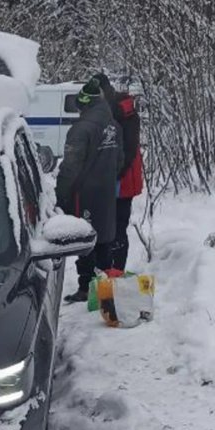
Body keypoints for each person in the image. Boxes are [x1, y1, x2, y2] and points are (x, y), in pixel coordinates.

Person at [56, 77, 123, 303]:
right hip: (107, 192)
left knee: (85, 240)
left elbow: (70, 167)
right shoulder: (114, 126)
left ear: (84, 104)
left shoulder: (80, 129)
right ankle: (104, 284)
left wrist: (61, 193)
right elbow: (120, 161)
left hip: (83, 194)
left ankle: (86, 286)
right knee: (105, 237)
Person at [94, 72, 143, 271]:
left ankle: (117, 273)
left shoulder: (125, 112)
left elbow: (129, 149)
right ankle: (105, 271)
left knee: (118, 228)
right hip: (106, 179)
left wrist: (114, 173)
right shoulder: (103, 110)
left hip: (122, 181)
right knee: (104, 228)